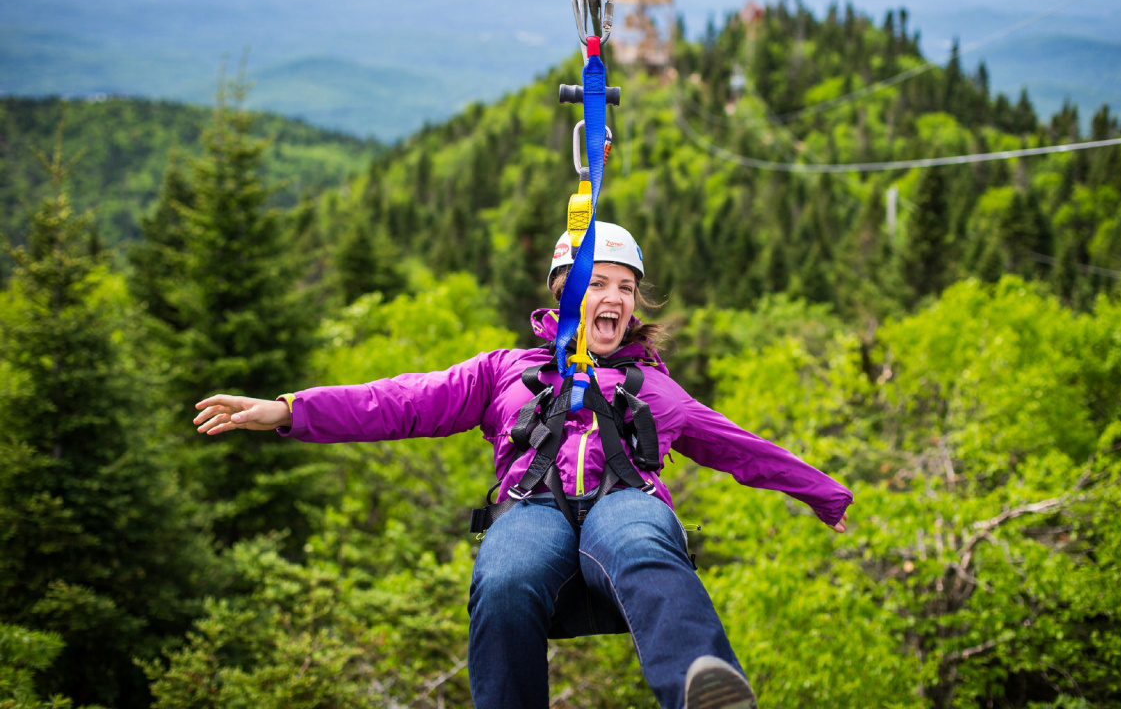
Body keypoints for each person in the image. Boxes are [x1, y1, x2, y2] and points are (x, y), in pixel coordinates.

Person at [194, 221, 853, 709]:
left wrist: (824, 494)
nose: (616, 298)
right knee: (504, 577)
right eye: (598, 283)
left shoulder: (655, 388)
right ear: (565, 292)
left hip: (623, 501)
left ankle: (703, 689)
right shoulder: (505, 371)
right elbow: (395, 402)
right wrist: (290, 411)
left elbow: (740, 447)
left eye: (626, 288)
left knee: (646, 546)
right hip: (531, 510)